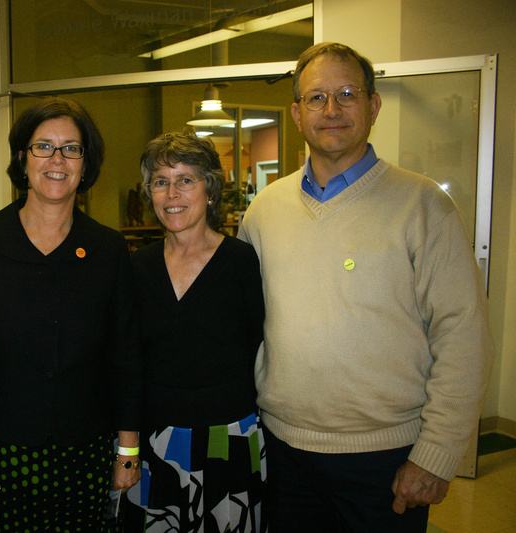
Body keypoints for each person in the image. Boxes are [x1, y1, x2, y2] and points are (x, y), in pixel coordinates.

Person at [237, 42, 494, 532]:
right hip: (283, 454)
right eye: (317, 98)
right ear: (296, 113)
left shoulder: (423, 207)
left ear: (373, 106)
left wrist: (435, 456)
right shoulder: (263, 211)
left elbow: (465, 337)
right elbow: (243, 325)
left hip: (387, 460)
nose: (331, 110)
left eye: (348, 94)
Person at [0, 97, 142, 531]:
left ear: (85, 162)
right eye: (43, 147)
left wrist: (127, 450)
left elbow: (126, 356)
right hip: (4, 448)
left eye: (71, 148)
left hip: (87, 448)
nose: (57, 159)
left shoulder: (108, 249)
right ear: (22, 158)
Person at [123, 131, 266, 532]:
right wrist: (127, 447)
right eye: (160, 181)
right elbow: (126, 364)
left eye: (186, 179)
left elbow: (264, 349)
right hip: (156, 445)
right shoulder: (135, 268)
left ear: (210, 189)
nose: (173, 193)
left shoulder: (241, 262)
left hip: (231, 441)